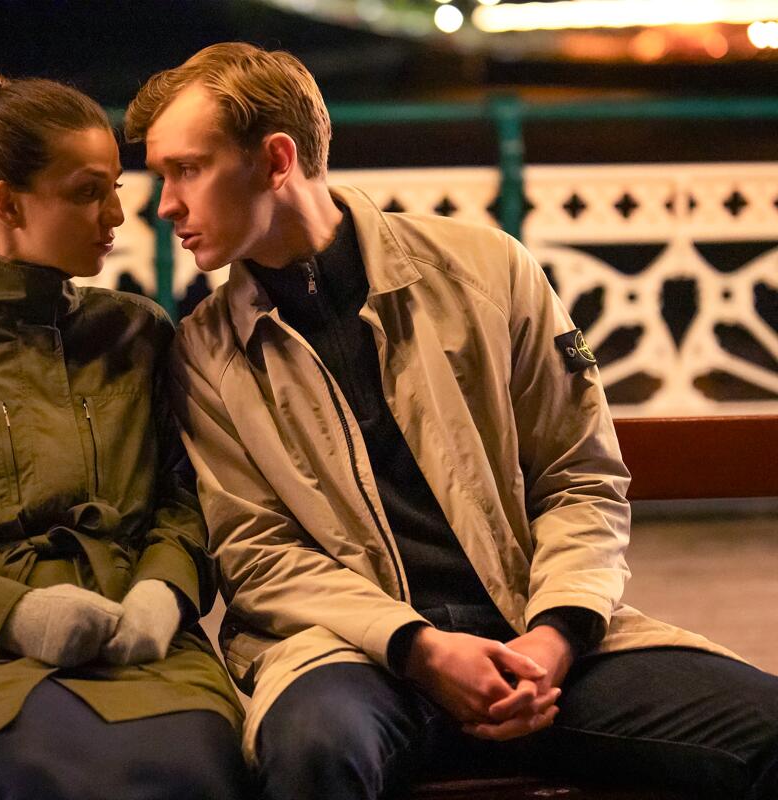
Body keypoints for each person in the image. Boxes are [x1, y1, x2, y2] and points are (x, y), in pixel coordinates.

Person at [125, 42, 778, 799]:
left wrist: (557, 634)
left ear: (276, 161)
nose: (165, 204)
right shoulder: (205, 351)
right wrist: (421, 649)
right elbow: (257, 554)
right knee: (314, 751)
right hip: (354, 657)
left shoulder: (488, 270)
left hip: (538, 632)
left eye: (186, 170)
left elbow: (580, 479)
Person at [0, 66, 249, 800]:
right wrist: (17, 616)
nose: (118, 215)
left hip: (143, 647)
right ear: (7, 203)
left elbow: (184, 504)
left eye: (117, 187)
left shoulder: (136, 330)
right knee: (48, 775)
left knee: (198, 765)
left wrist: (164, 592)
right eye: (88, 191)